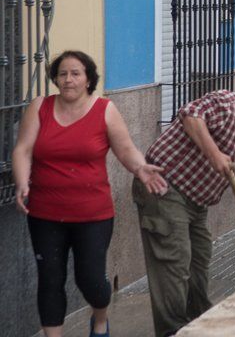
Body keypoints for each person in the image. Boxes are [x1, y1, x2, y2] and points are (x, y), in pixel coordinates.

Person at [11, 50, 168, 337]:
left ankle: (99, 319)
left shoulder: (104, 109)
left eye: (75, 73)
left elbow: (124, 149)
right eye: (62, 74)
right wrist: (22, 182)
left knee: (92, 281)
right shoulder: (39, 107)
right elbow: (22, 149)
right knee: (50, 279)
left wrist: (141, 168)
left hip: (92, 214)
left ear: (88, 79)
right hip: (45, 212)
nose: (68, 79)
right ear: (56, 79)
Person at [134, 76, 235, 337]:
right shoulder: (227, 102)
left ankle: (199, 323)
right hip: (165, 189)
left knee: (199, 260)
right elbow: (190, 115)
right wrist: (214, 153)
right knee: (174, 263)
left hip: (196, 202)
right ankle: (173, 331)